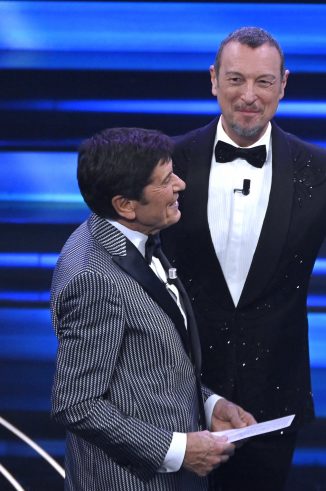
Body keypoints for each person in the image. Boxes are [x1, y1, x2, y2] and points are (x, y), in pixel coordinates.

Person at [160, 27, 326, 490]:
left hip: (271, 404)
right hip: (171, 395)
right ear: (213, 80)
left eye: (264, 82)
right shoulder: (169, 160)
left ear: (284, 84)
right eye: (236, 79)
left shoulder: (318, 167)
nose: (249, 95)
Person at [50, 127, 256, 490]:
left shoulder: (126, 235)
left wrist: (209, 405)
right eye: (165, 181)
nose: (180, 185)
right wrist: (177, 450)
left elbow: (146, 366)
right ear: (125, 205)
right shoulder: (94, 278)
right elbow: (77, 403)